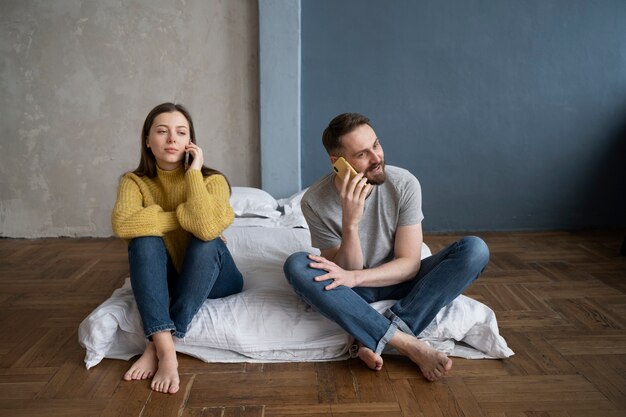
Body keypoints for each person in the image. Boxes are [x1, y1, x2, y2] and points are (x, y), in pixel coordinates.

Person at [283, 113, 489, 382]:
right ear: (338, 163)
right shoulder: (314, 201)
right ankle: (407, 343)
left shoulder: (404, 184)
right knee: (297, 264)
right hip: (352, 291)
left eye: (376, 145)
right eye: (362, 154)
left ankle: (370, 337)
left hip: (398, 278)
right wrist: (351, 223)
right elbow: (344, 272)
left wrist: (355, 277)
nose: (376, 157)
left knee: (475, 249)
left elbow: (409, 265)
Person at [111, 102, 243, 394]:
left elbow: (207, 229)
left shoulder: (212, 180)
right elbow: (123, 225)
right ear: (148, 140)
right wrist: (183, 217)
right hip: (170, 276)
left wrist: (194, 174)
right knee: (143, 241)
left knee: (206, 241)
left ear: (190, 142)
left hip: (217, 278)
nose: (172, 139)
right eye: (162, 131)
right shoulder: (134, 182)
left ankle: (157, 346)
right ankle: (165, 347)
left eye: (181, 132)